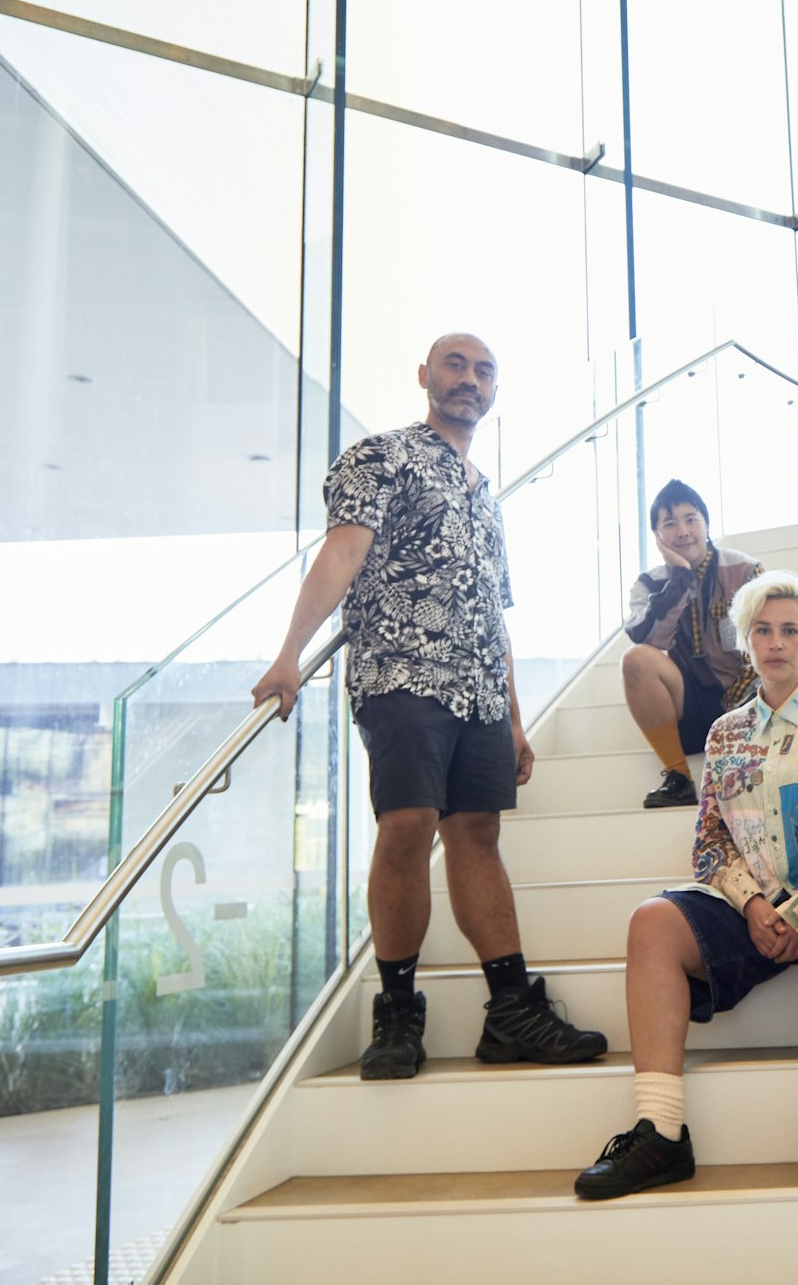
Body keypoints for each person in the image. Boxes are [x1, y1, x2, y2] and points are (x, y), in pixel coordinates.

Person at [252, 332, 607, 1081]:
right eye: (455, 364)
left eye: (484, 371)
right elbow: (343, 554)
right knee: (408, 824)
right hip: (401, 672)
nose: (469, 380)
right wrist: (289, 653)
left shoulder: (488, 497)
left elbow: (493, 614)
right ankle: (396, 1014)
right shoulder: (380, 455)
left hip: (478, 686)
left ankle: (511, 1011)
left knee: (477, 831)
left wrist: (513, 717)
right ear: (424, 376)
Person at [575, 570, 798, 1199]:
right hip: (759, 909)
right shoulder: (724, 734)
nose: (776, 641)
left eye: (790, 629)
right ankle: (660, 1130)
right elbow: (709, 844)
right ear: (745, 641)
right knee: (650, 921)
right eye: (761, 630)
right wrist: (759, 904)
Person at [621, 480, 763, 808]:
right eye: (669, 524)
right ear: (657, 536)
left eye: (691, 519)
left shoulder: (744, 570)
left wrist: (738, 702)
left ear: (707, 523)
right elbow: (648, 637)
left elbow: (768, 641)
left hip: (748, 699)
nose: (683, 531)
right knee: (636, 659)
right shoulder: (648, 583)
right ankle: (679, 778)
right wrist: (679, 577)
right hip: (690, 703)